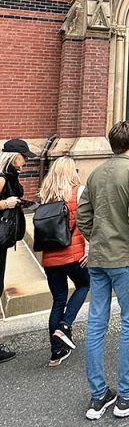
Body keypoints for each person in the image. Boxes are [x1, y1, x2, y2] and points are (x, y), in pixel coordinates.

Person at [77, 120, 129, 420]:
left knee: (97, 324)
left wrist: (95, 239)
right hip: (124, 258)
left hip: (99, 258)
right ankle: (127, 394)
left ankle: (99, 394)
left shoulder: (96, 173)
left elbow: (83, 215)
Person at [38, 156, 90, 367]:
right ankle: (66, 325)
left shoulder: (45, 195)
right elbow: (87, 221)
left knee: (58, 299)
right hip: (74, 254)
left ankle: (56, 353)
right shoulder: (79, 191)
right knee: (85, 284)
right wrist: (89, 248)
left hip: (50, 256)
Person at [0, 139, 36, 363]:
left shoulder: (10, 176)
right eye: (24, 157)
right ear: (13, 156)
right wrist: (6, 204)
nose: (27, 161)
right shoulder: (3, 177)